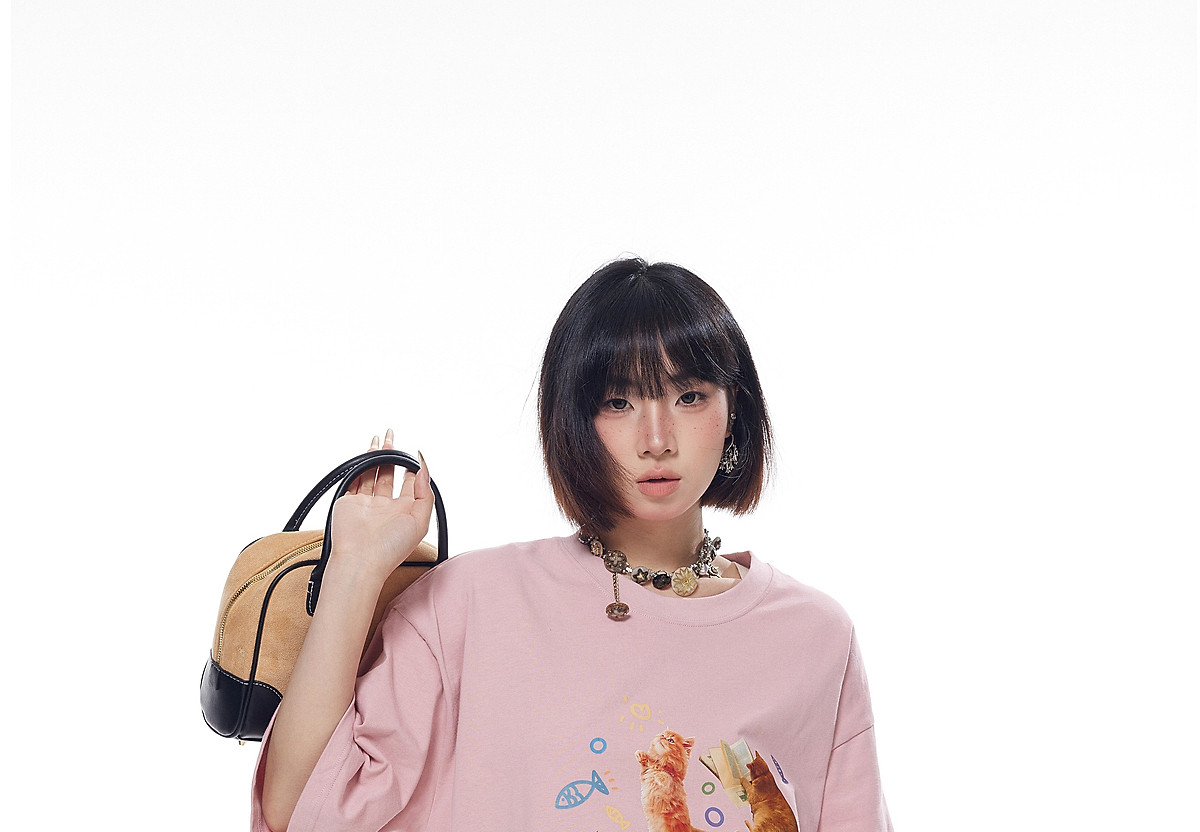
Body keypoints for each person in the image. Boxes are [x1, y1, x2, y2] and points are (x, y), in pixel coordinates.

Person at [255, 257, 893, 831]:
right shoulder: (469, 605)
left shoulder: (814, 636)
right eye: (618, 402)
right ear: (573, 422)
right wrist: (355, 567)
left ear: (735, 414)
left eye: (690, 396)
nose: (657, 439)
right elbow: (303, 811)